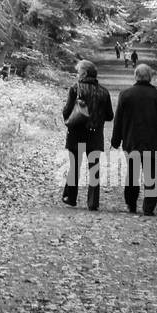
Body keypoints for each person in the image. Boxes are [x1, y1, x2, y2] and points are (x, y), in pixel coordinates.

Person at [111, 63, 157, 216]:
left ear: (136, 76)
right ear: (150, 77)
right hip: (154, 142)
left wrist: (115, 140)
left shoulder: (126, 95)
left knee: (132, 173)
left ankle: (131, 203)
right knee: (152, 174)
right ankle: (148, 207)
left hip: (132, 141)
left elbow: (118, 119)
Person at [60, 59, 113, 210]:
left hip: (76, 133)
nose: (77, 74)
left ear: (84, 73)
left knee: (74, 166)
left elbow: (67, 111)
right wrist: (97, 115)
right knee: (94, 169)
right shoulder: (104, 91)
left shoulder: (75, 88)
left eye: (78, 72)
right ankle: (93, 203)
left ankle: (71, 197)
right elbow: (110, 115)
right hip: (95, 135)